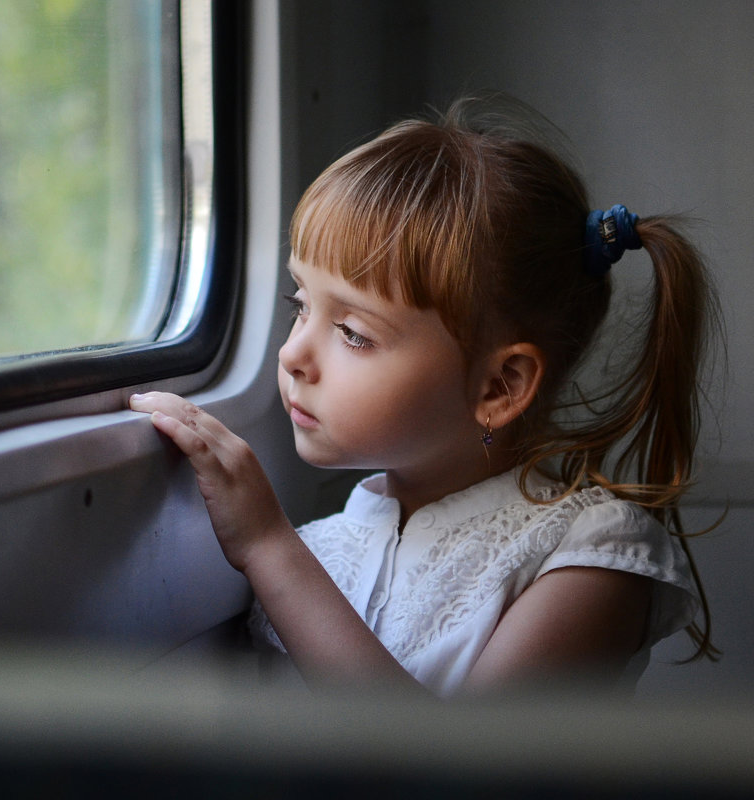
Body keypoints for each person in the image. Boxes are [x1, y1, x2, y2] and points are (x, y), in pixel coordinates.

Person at [128, 95, 720, 697]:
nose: (290, 355)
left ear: (499, 387)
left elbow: (441, 773)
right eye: (299, 305)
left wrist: (266, 547)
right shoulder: (323, 545)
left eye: (354, 334)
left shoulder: (590, 559)